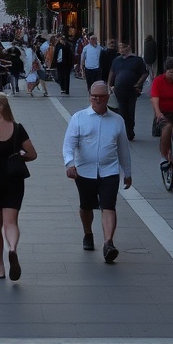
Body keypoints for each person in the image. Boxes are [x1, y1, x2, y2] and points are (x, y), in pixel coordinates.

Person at [62, 80, 132, 263]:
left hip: (110, 170)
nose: (97, 100)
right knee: (86, 206)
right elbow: (69, 144)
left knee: (108, 205)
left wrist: (127, 172)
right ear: (89, 97)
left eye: (101, 96)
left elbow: (123, 148)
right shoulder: (79, 118)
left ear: (108, 97)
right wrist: (70, 164)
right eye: (94, 96)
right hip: (84, 171)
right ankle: (88, 233)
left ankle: (108, 243)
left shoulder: (117, 120)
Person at [0, 92, 37, 281]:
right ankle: (12, 248)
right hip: (14, 181)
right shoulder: (18, 129)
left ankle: (1, 267)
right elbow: (32, 154)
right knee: (11, 222)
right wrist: (20, 155)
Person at [111, 41, 148, 141]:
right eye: (119, 47)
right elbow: (112, 72)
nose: (121, 49)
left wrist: (138, 84)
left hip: (132, 90)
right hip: (119, 90)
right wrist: (109, 85)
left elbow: (144, 73)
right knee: (122, 111)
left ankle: (130, 130)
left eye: (123, 47)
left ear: (129, 47)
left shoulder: (137, 60)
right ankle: (125, 132)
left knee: (130, 111)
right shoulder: (117, 60)